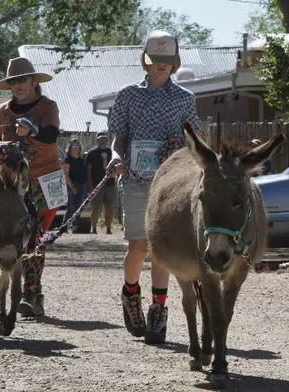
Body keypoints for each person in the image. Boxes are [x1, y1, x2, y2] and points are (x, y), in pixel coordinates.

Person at [106, 30, 201, 345]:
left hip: (171, 186)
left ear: (175, 62)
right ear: (145, 60)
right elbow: (118, 135)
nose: (161, 66)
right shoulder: (127, 95)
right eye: (155, 59)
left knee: (160, 250)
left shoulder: (186, 99)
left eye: (166, 60)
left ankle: (158, 309)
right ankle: (131, 293)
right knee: (138, 247)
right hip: (135, 180)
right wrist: (117, 156)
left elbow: (194, 140)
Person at [0, 56, 61, 318]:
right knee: (11, 235)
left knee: (36, 236)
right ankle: (21, 292)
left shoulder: (47, 107)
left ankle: (31, 293)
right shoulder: (3, 110)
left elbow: (52, 135)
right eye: (14, 82)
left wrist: (31, 130)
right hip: (12, 183)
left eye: (23, 80)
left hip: (46, 179)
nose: (18, 85)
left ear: (34, 81)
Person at [86, 131, 115, 234]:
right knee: (96, 207)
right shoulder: (91, 153)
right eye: (100, 139)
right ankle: (93, 228)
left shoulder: (111, 152)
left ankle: (108, 228)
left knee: (109, 207)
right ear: (97, 140)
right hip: (96, 184)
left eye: (104, 139)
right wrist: (90, 185)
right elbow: (88, 170)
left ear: (107, 140)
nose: (102, 141)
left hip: (110, 183)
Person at [62, 138, 87, 229]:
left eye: (77, 146)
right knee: (71, 206)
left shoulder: (82, 160)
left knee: (80, 207)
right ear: (70, 148)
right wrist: (71, 186)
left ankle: (75, 226)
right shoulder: (67, 160)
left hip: (83, 185)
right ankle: (64, 227)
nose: (75, 148)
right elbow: (65, 174)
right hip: (72, 185)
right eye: (73, 146)